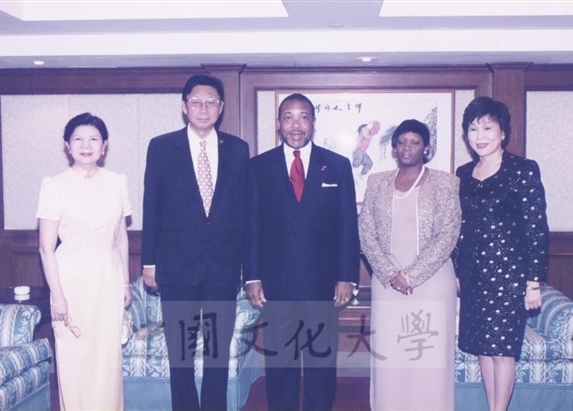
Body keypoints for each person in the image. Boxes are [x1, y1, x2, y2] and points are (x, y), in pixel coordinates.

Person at [141, 74, 251, 410]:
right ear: (184, 106)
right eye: (196, 101)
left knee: (218, 354)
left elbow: (244, 210)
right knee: (181, 356)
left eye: (211, 102)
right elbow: (151, 206)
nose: (203, 108)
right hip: (176, 268)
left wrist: (247, 267)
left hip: (223, 268)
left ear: (221, 107)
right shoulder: (162, 147)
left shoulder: (237, 149)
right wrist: (149, 262)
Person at [245, 93, 360, 411]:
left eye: (303, 117)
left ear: (313, 122)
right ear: (279, 123)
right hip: (276, 282)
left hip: (322, 283)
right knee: (280, 363)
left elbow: (347, 225)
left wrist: (347, 276)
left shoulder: (336, 165)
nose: (296, 125)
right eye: (288, 117)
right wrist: (252, 276)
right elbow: (251, 224)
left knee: (320, 361)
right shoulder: (259, 166)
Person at [452, 96, 549, 411]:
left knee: (502, 351)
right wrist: (458, 271)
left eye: (487, 128)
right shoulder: (463, 173)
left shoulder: (522, 170)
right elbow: (460, 227)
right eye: (473, 129)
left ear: (502, 132)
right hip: (473, 275)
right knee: (483, 347)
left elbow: (536, 229)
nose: (479, 136)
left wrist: (533, 282)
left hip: (509, 277)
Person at [358, 119, 461, 411]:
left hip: (432, 283)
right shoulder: (377, 182)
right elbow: (366, 232)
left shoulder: (446, 183)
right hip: (387, 283)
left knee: (427, 357)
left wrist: (411, 276)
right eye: (402, 141)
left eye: (415, 142)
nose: (407, 147)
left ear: (426, 148)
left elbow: (448, 234)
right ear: (394, 147)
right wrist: (391, 273)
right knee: (390, 354)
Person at [37, 112, 132, 410]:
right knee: (74, 358)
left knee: (107, 360)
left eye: (93, 139)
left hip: (108, 279)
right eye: (78, 139)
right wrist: (58, 297)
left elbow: (121, 239)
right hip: (70, 282)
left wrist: (126, 283)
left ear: (104, 145)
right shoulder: (54, 185)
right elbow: (45, 248)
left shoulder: (118, 182)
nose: (86, 145)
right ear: (67, 145)